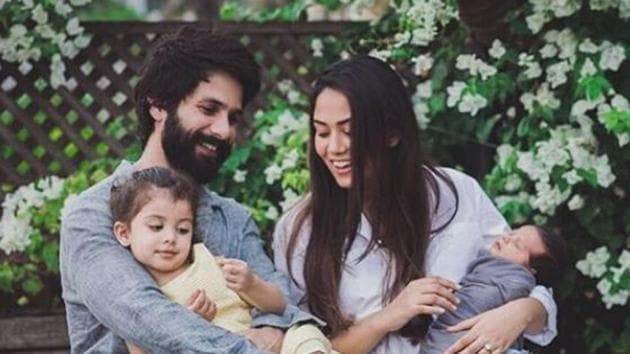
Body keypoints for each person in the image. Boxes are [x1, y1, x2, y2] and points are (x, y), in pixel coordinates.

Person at [272, 56, 559, 354]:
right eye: (322, 132)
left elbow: (519, 277)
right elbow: (303, 345)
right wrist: (387, 317)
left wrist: (523, 312)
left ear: (392, 133)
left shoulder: (458, 193)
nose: (334, 148)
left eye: (350, 131)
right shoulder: (299, 230)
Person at [60, 26, 314, 353]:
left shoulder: (232, 219)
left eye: (233, 118)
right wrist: (257, 345)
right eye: (208, 110)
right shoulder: (93, 215)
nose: (223, 131)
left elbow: (281, 302)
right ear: (158, 105)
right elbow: (152, 320)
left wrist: (273, 328)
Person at [109, 167, 331, 354]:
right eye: (156, 227)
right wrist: (184, 324)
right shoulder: (138, 292)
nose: (170, 238)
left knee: (303, 331)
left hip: (259, 343)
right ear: (124, 233)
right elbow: (140, 346)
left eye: (183, 229)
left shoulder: (209, 262)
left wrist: (252, 284)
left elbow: (279, 305)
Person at [420, 225, 568, 354]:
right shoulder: (489, 267)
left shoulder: (514, 281)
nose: (505, 237)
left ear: (532, 270)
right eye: (511, 233)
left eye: (517, 244)